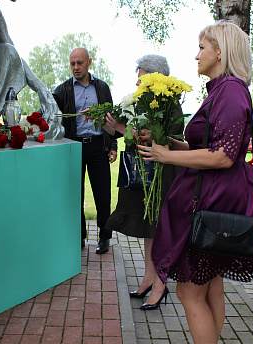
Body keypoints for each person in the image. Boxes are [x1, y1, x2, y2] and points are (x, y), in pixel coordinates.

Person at [137, 20, 253, 343]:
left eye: (201, 48)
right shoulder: (224, 91)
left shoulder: (231, 92)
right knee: (210, 288)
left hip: (217, 201)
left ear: (220, 52)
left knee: (188, 293)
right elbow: (209, 149)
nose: (196, 56)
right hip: (218, 197)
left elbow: (223, 156)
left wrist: (167, 157)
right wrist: (167, 144)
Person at [100, 54, 183, 309]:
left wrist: (129, 131)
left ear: (156, 77)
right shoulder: (142, 103)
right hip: (144, 172)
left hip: (162, 173)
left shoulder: (170, 102)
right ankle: (149, 277)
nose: (137, 84)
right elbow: (134, 135)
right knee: (148, 227)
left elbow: (169, 138)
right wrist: (114, 127)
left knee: (158, 228)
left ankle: (160, 283)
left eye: (141, 78)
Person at [53, 47, 117, 253]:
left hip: (98, 146)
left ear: (89, 62)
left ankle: (104, 238)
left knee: (102, 195)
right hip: (74, 148)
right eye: (72, 64)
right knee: (75, 196)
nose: (76, 67)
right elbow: (51, 116)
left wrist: (113, 146)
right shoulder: (62, 90)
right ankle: (78, 237)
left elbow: (111, 120)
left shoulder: (102, 88)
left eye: (80, 63)